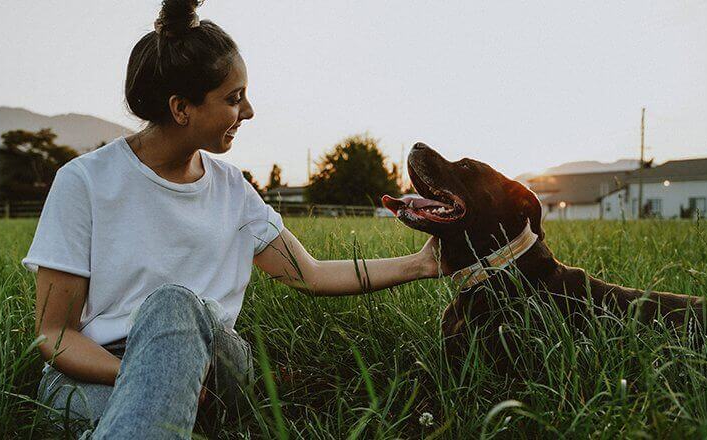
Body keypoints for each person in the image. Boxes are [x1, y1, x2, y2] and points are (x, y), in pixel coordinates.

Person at [22, 1, 450, 438]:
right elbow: (55, 334)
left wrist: (422, 264)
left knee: (174, 303)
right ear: (181, 108)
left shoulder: (232, 190)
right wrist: (150, 377)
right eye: (234, 98)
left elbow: (312, 275)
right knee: (124, 405)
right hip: (96, 369)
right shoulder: (83, 182)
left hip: (213, 362)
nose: (248, 112)